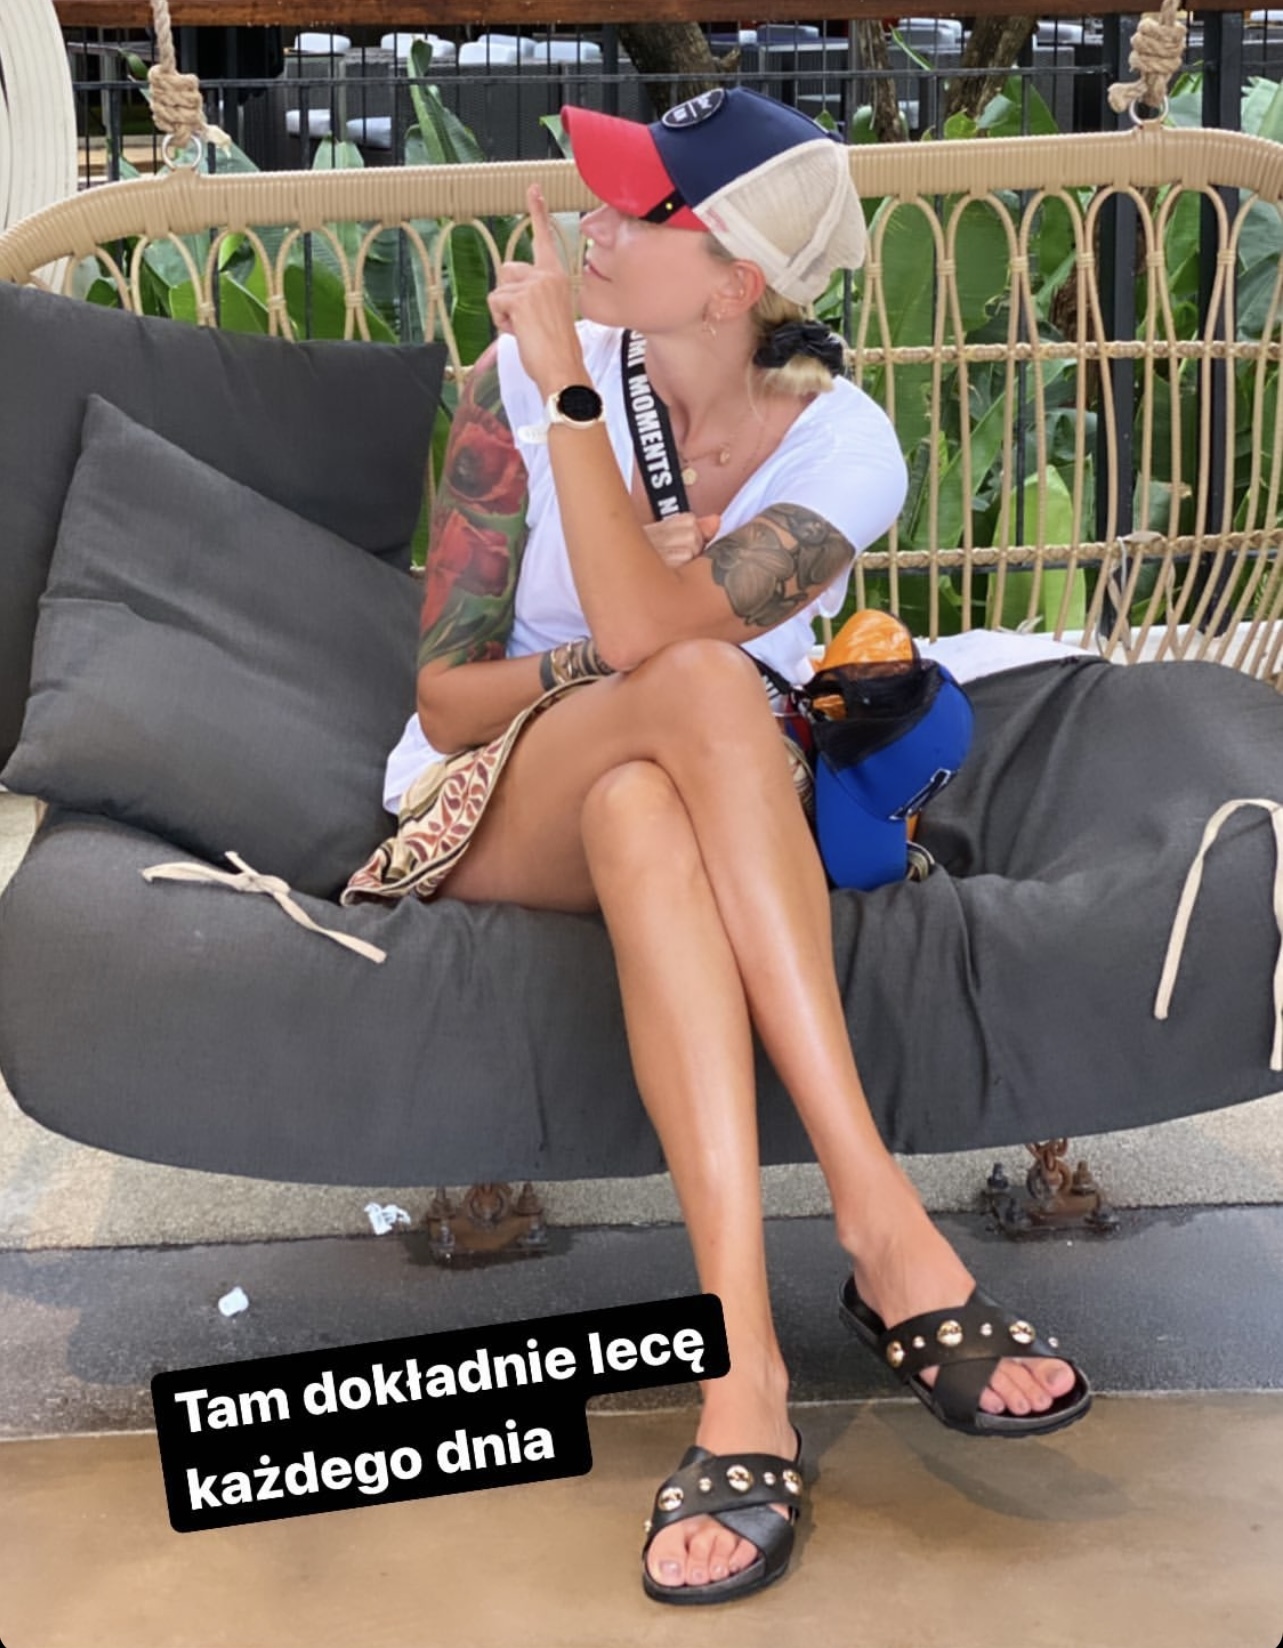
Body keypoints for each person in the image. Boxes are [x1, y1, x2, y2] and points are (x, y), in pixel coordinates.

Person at [342, 86, 1091, 1605]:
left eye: (641, 211)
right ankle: (877, 1214)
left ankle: (741, 1373)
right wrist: (565, 405)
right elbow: (454, 692)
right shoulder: (522, 378)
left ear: (738, 278)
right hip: (496, 793)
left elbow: (658, 635)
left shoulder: (843, 447)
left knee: (651, 801)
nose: (595, 226)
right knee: (688, 680)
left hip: (693, 805)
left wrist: (630, 576)